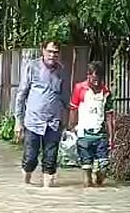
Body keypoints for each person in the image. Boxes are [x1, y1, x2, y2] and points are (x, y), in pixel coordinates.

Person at [15, 40, 70, 188]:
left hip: (53, 122)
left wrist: (69, 121)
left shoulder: (62, 71)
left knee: (50, 159)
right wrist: (18, 121)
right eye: (50, 51)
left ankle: (47, 193)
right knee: (30, 158)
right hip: (33, 121)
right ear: (43, 50)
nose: (52, 55)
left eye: (55, 52)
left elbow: (66, 99)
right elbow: (21, 95)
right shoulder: (32, 67)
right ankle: (26, 186)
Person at [68, 61, 115, 187]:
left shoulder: (106, 92)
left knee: (104, 166)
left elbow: (109, 115)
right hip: (83, 134)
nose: (96, 82)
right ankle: (88, 194)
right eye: (94, 79)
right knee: (86, 168)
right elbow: (73, 109)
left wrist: (111, 136)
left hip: (101, 135)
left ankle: (99, 181)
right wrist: (72, 128)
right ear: (88, 75)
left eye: (99, 79)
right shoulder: (79, 89)